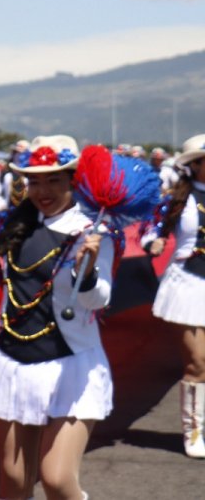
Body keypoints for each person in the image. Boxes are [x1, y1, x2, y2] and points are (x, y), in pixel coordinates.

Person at [0, 135, 114, 500]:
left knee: (56, 479)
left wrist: (87, 272)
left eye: (54, 180)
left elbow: (99, 299)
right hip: (12, 362)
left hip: (71, 366)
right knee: (13, 480)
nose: (43, 190)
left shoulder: (91, 233)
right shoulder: (14, 222)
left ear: (73, 180)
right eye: (35, 181)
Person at [142, 133, 205, 458]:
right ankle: (194, 432)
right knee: (197, 362)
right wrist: (152, 242)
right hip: (188, 283)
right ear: (196, 165)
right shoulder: (179, 199)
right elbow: (150, 228)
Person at [0, 140, 31, 209]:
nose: (17, 156)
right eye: (15, 153)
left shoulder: (32, 174)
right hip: (9, 210)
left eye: (20, 154)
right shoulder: (5, 173)